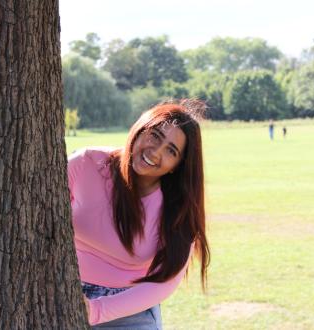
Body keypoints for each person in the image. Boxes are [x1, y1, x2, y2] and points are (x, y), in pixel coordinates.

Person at [67, 100, 210, 329]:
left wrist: (96, 310)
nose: (156, 152)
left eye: (171, 151)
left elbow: (165, 282)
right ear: (141, 128)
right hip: (62, 295)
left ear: (177, 165)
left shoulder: (177, 209)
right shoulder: (87, 164)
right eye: (155, 136)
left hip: (128, 310)